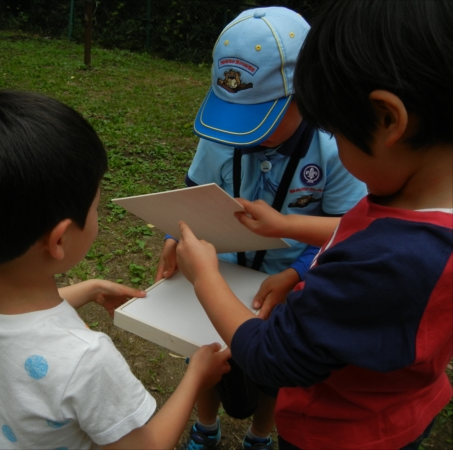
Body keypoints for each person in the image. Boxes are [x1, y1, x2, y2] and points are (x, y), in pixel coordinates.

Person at [175, 0, 453, 448]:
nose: (334, 145)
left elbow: (273, 358)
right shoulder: (408, 209)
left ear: (387, 120)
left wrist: (206, 276)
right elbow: (362, 229)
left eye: (337, 131)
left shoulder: (397, 260)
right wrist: (286, 223)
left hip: (344, 434)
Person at [0, 90, 232, 449]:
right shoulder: (86, 361)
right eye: (95, 206)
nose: (97, 216)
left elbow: (16, 327)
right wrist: (196, 378)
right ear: (59, 239)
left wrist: (89, 289)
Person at [155, 7, 367, 449]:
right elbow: (193, 192)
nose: (244, 136)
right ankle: (206, 428)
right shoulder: (220, 132)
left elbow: (349, 229)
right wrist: (175, 236)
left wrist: (295, 275)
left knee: (274, 373)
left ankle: (259, 436)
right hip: (220, 274)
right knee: (209, 355)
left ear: (308, 91)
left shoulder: (335, 148)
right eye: (236, 118)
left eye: (260, 121)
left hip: (286, 284)